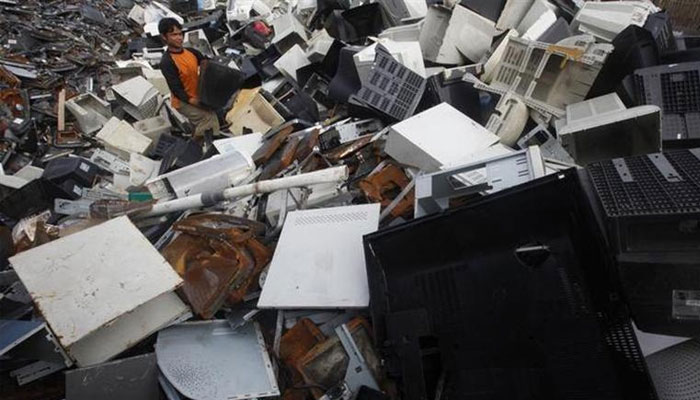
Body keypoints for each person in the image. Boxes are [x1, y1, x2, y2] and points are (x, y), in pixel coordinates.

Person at [158, 18, 219, 142]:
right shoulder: (167, 62)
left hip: (197, 95)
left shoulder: (191, 52)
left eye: (180, 34)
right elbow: (177, 90)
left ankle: (199, 143)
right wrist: (197, 102)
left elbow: (205, 63)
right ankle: (193, 148)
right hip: (183, 101)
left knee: (204, 121)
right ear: (164, 37)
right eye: (174, 35)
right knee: (208, 119)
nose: (179, 38)